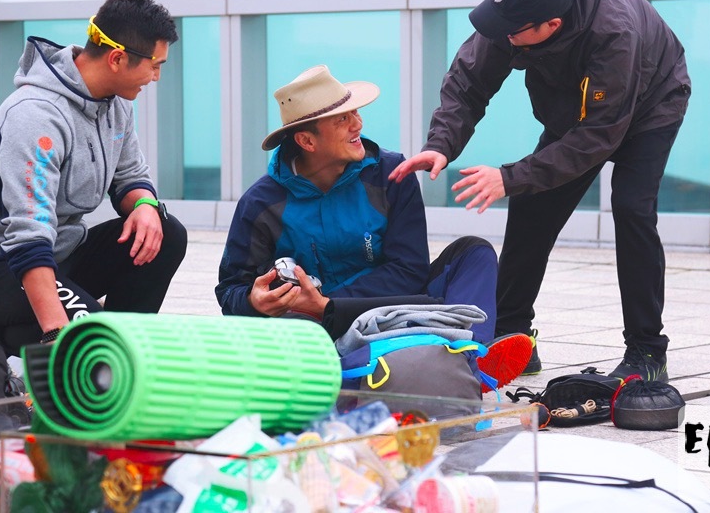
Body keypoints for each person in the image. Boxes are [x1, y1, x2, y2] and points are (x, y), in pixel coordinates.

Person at [389, 0, 692, 383]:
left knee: (632, 208)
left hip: (651, 103)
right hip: (577, 109)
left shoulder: (614, 34)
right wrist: (441, 144)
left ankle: (647, 350)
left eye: (513, 32)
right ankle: (513, 335)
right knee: (532, 204)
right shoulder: (514, 16)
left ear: (552, 25)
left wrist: (508, 177)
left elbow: (597, 137)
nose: (504, 37)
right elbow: (467, 81)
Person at [215, 65, 533, 390]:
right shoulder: (260, 203)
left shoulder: (392, 173)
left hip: (394, 309)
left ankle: (469, 359)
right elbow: (230, 289)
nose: (358, 124)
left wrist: (330, 304)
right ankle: (434, 364)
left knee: (474, 253)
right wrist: (255, 301)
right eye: (342, 119)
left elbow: (409, 270)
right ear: (307, 140)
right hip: (314, 327)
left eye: (355, 112)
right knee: (285, 337)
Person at [0, 0, 188, 356]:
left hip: (62, 253)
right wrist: (56, 332)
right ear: (117, 58)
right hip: (5, 262)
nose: (156, 77)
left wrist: (145, 205)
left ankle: (121, 347)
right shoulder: (35, 117)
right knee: (96, 341)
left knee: (166, 232)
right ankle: (22, 337)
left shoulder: (116, 104)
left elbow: (130, 176)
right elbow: (27, 237)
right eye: (155, 65)